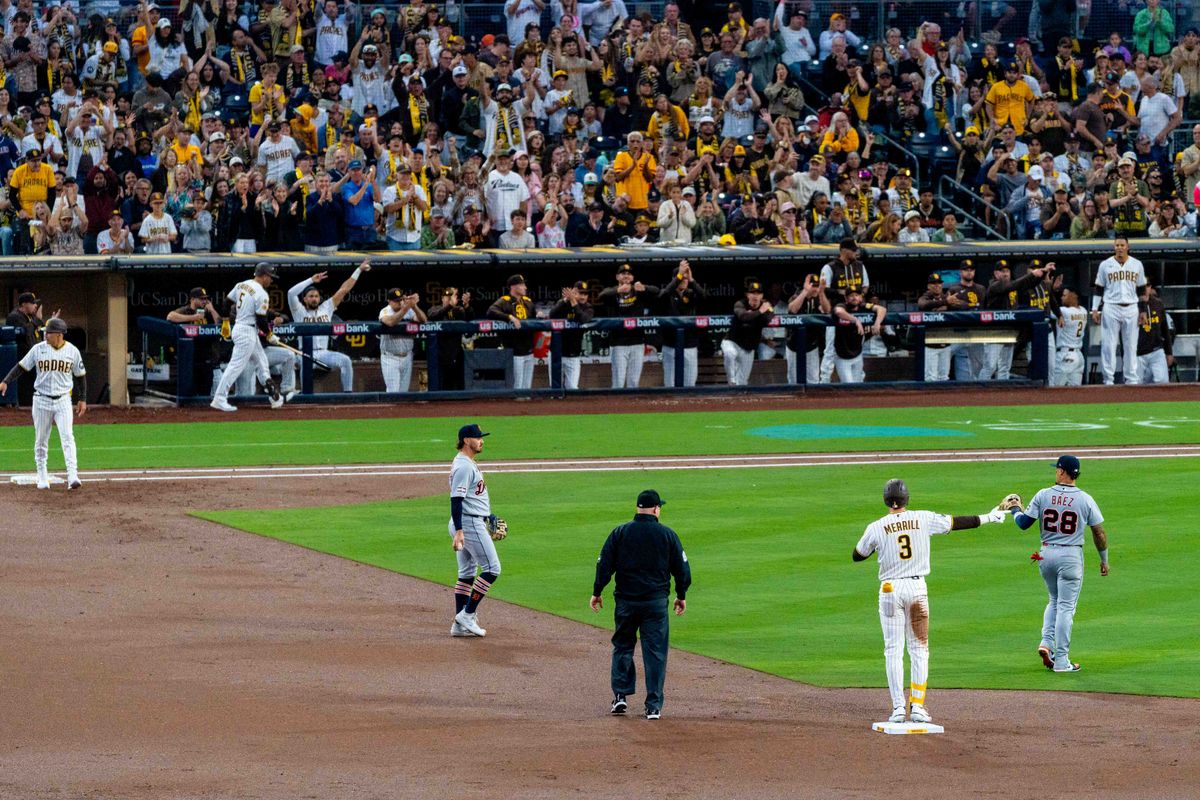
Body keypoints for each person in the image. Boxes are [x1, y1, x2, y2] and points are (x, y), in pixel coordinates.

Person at [853, 479, 1007, 724]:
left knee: (893, 650)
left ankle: (897, 709)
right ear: (907, 499)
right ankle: (917, 707)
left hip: (890, 589)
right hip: (916, 589)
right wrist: (990, 517)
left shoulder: (876, 527)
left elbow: (857, 555)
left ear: (886, 500)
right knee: (919, 649)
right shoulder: (923, 518)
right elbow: (956, 523)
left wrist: (878, 548)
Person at [591, 489, 691, 721]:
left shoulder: (620, 532)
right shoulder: (667, 535)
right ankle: (653, 706)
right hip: (655, 604)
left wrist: (597, 591)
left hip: (626, 602)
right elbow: (682, 570)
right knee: (655, 653)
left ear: (638, 508)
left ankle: (620, 696)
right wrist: (681, 594)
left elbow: (604, 564)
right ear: (656, 509)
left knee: (623, 646)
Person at [1008, 456, 1109, 673]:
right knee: (1065, 607)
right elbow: (1099, 532)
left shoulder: (1043, 494)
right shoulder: (1085, 499)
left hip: (1045, 555)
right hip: (1071, 556)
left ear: (1063, 472)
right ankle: (1062, 661)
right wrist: (1104, 559)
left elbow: (1024, 523)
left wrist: (1015, 509)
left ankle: (1046, 643)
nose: (1056, 472)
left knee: (1054, 600)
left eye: (1058, 469)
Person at [0, 316, 86, 490]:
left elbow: (80, 376)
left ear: (59, 334)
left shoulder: (72, 351)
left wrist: (82, 398)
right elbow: (21, 367)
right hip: (41, 400)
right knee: (41, 440)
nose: (45, 335)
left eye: (49, 333)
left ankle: (72, 476)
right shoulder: (38, 349)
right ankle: (42, 476)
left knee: (68, 437)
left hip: (63, 400)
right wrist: (6, 381)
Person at [448, 423, 503, 638]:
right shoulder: (464, 466)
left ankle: (458, 625)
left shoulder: (466, 462)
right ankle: (467, 614)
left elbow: (471, 496)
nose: (481, 440)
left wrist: (487, 515)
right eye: (477, 437)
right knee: (492, 568)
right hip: (468, 523)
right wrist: (460, 530)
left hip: (470, 520)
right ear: (465, 440)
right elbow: (456, 499)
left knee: (467, 573)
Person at [210, 263, 285, 413]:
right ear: (264, 276)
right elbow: (261, 319)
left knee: (262, 362)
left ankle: (274, 397)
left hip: (242, 328)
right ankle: (219, 398)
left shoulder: (242, 284)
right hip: (247, 331)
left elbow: (226, 302)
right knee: (235, 366)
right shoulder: (262, 293)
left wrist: (225, 320)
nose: (271, 280)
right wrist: (270, 335)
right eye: (270, 277)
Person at [286, 261, 371, 393]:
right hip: (305, 353)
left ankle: (347, 394)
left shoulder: (326, 307)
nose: (314, 299)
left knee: (346, 360)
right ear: (305, 300)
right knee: (305, 364)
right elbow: (291, 293)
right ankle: (305, 395)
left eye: (316, 296)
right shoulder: (298, 311)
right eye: (310, 296)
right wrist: (311, 280)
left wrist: (358, 270)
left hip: (324, 352)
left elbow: (344, 289)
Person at [979, 260, 1051, 381]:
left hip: (1009, 332)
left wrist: (1042, 273)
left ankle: (1002, 394)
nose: (1005, 274)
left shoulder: (1011, 285)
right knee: (990, 367)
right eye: (1002, 271)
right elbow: (1014, 285)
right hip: (994, 333)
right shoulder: (995, 286)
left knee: (1005, 367)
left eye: (1007, 271)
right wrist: (1032, 274)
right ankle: (978, 391)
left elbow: (1027, 285)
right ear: (996, 274)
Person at [1091, 236, 1146, 385]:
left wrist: (1143, 311)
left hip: (1131, 307)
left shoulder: (1137, 264)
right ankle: (1108, 379)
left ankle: (1131, 378)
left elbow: (1141, 289)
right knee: (1109, 345)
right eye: (1117, 245)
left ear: (1128, 246)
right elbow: (1098, 288)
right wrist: (1094, 309)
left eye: (1122, 245)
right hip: (1111, 307)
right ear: (1114, 247)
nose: (1119, 248)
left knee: (1131, 345)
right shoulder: (1105, 264)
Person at [596, 265, 659, 389]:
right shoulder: (612, 291)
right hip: (618, 343)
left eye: (629, 274)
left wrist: (644, 287)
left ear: (633, 277)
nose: (626, 275)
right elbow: (601, 296)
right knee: (618, 381)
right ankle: (616, 407)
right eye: (623, 273)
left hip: (637, 342)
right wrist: (618, 291)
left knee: (634, 382)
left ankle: (631, 407)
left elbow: (658, 292)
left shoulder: (638, 290)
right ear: (617, 277)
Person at [818, 238, 869, 383]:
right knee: (830, 350)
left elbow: (865, 286)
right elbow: (824, 288)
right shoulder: (829, 267)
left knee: (858, 347)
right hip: (837, 316)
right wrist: (844, 293)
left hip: (857, 313)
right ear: (843, 250)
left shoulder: (859, 266)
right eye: (853, 250)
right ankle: (824, 383)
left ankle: (859, 382)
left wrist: (859, 296)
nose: (855, 252)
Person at [167, 287, 222, 397]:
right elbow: (170, 316)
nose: (204, 301)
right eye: (201, 299)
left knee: (205, 393)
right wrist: (194, 317)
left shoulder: (208, 312)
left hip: (206, 356)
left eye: (205, 299)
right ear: (193, 299)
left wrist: (212, 310)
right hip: (191, 358)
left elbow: (220, 325)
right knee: (190, 394)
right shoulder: (186, 310)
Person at [658, 260, 705, 388]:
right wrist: (679, 275)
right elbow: (662, 296)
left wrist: (692, 279)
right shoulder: (667, 294)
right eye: (681, 278)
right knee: (670, 383)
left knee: (689, 384)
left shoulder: (691, 294)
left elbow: (704, 296)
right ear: (675, 278)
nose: (684, 280)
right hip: (670, 344)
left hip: (689, 344)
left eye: (685, 278)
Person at [487, 274, 537, 390]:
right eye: (522, 284)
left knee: (527, 389)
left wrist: (539, 315)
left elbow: (534, 317)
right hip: (515, 351)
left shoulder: (528, 302)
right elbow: (491, 311)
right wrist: (510, 317)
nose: (525, 287)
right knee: (517, 388)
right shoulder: (505, 301)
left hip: (529, 348)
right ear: (513, 287)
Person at [722, 277, 774, 386]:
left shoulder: (767, 306)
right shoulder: (740, 303)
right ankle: (731, 380)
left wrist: (760, 312)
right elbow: (743, 316)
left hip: (748, 349)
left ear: (762, 295)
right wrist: (759, 311)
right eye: (752, 293)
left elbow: (767, 320)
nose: (755, 296)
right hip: (733, 342)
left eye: (758, 293)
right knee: (729, 354)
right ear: (747, 294)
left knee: (742, 383)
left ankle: (737, 392)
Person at [831, 285, 885, 384]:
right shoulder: (842, 305)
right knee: (849, 386)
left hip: (857, 354)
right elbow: (838, 311)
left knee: (858, 386)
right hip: (842, 355)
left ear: (861, 297)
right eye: (851, 295)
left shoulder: (863, 306)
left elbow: (882, 309)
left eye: (857, 295)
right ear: (846, 298)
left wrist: (877, 322)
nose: (854, 297)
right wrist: (855, 320)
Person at [378, 287, 427, 393]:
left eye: (401, 299)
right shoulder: (385, 311)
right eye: (396, 301)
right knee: (393, 393)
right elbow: (390, 322)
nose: (400, 303)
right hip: (390, 358)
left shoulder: (409, 310)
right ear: (389, 301)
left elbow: (423, 320)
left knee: (404, 393)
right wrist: (405, 308)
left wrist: (414, 306)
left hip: (407, 357)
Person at [4, 291, 48, 405]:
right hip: (23, 358)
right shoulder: (15, 316)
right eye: (32, 303)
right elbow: (25, 332)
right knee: (26, 387)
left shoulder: (31, 316)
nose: (35, 306)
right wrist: (37, 320)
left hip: (36, 358)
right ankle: (24, 407)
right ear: (24, 305)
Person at [548, 280, 593, 391]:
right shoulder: (563, 303)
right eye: (580, 293)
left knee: (572, 388)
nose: (583, 296)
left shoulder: (588, 308)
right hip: (557, 354)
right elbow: (551, 314)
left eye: (585, 294)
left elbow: (583, 319)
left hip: (573, 355)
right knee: (555, 389)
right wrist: (566, 300)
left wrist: (574, 303)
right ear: (573, 292)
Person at [427, 287, 474, 391]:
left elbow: (469, 320)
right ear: (442, 298)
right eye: (447, 297)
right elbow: (432, 316)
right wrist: (449, 306)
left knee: (458, 384)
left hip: (456, 351)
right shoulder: (435, 308)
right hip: (439, 352)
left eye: (452, 296)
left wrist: (466, 306)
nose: (449, 299)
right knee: (441, 384)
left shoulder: (458, 310)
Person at [917, 273, 952, 382]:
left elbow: (962, 304)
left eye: (939, 283)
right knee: (931, 378)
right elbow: (922, 305)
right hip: (930, 345)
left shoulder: (948, 296)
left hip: (945, 342)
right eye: (934, 283)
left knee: (944, 378)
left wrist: (950, 302)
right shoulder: (925, 297)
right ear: (928, 286)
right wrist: (945, 303)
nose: (937, 285)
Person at [1136, 283, 1173, 384]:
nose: (1145, 289)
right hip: (1137, 353)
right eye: (1142, 287)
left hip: (1156, 350)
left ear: (1150, 287)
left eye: (1147, 286)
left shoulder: (1158, 304)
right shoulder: (1132, 305)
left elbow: (1165, 330)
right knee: (1134, 385)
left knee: (1163, 382)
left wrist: (1169, 352)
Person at [1054, 289, 1088, 387]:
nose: (1061, 298)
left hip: (1065, 355)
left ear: (1073, 296)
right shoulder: (1083, 310)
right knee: (1074, 394)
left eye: (1064, 295)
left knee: (1055, 390)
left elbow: (1047, 310)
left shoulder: (1064, 311)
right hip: (1079, 357)